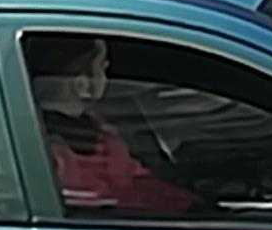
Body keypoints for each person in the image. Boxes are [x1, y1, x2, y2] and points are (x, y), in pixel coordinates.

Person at [26, 35, 198, 218]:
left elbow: (138, 179)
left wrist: (188, 205)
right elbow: (95, 204)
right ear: (82, 84)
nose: (107, 74)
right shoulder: (49, 153)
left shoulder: (99, 129)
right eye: (103, 67)